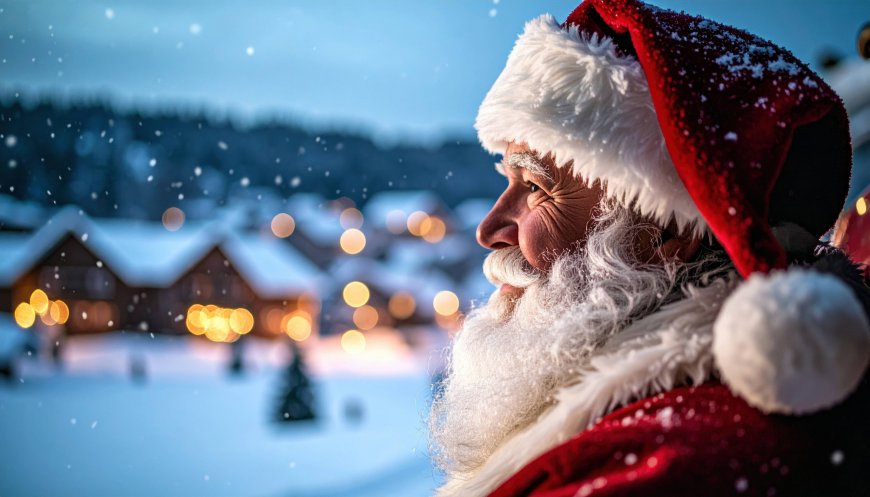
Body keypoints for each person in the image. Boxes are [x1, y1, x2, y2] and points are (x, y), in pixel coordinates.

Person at [428, 1, 870, 496]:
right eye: (507, 182)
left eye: (535, 186)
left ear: (669, 233)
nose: (488, 229)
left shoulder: (670, 460)